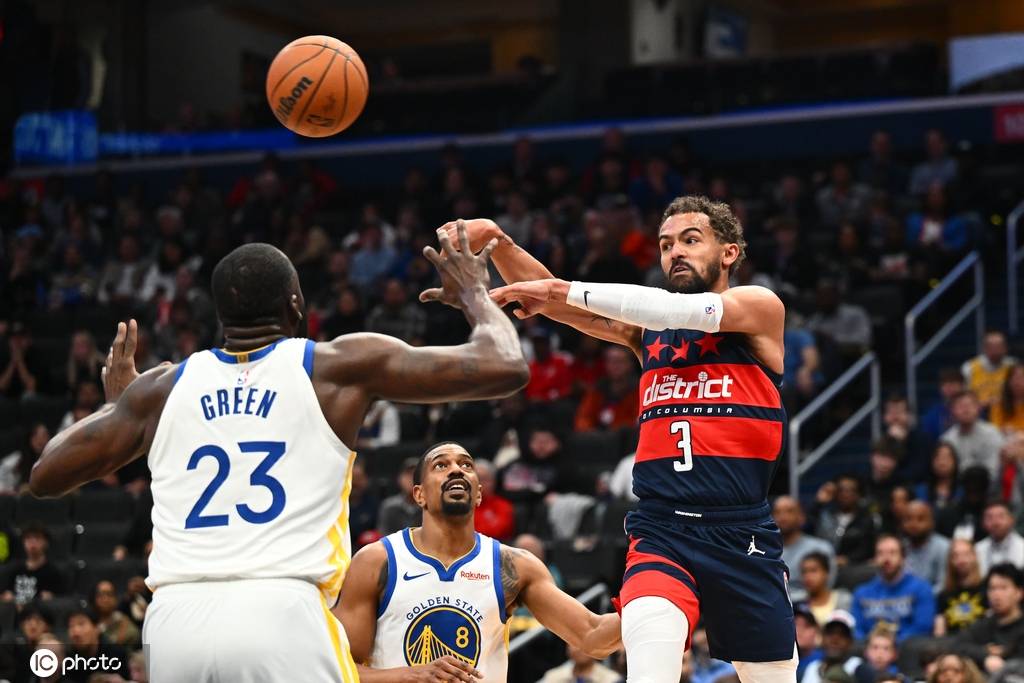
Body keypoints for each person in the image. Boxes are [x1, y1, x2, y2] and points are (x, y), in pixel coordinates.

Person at [29, 227, 529, 682]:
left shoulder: (161, 389)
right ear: (295, 306)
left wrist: (118, 410)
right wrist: (473, 292)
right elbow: (504, 365)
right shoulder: (334, 367)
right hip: (283, 611)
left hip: (174, 621)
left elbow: (45, 475)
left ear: (221, 315)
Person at [456, 195, 797, 681]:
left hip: (741, 532)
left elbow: (652, 305)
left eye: (690, 240)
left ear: (729, 253)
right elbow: (555, 301)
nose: (675, 252)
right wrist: (501, 243)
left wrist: (558, 290)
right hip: (662, 530)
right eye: (666, 244)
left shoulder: (759, 308)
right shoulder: (650, 334)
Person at [333, 442, 620, 682]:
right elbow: (336, 670)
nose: (456, 469)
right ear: (419, 494)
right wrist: (409, 675)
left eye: (466, 465)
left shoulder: (512, 566)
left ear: (479, 493)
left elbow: (592, 635)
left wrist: (645, 602)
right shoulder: (377, 560)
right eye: (441, 465)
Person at [850, 535, 935, 642]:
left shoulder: (921, 589)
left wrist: (892, 643)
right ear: (874, 559)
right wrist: (873, 644)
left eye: (892, 553)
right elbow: (856, 630)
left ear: (903, 558)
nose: (886, 559)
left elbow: (923, 628)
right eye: (881, 553)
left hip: (906, 648)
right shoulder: (862, 593)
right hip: (870, 648)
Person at [954, 563, 1024, 675]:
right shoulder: (984, 624)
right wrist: (985, 654)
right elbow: (957, 646)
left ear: (1019, 593)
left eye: (1003, 588)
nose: (996, 595)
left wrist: (1004, 664)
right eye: (992, 588)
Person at [773, 496, 834, 602]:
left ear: (802, 517)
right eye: (777, 512)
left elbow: (827, 588)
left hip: (811, 607)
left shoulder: (821, 548)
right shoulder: (764, 552)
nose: (782, 517)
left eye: (789, 511)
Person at [813, 475, 879, 567]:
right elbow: (807, 531)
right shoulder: (825, 515)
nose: (845, 494)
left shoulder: (866, 519)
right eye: (841, 490)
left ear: (858, 494)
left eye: (851, 490)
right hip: (823, 566)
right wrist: (818, 503)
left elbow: (867, 548)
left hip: (853, 567)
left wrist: (848, 559)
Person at [941, 391, 1004, 484]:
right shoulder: (947, 439)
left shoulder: (992, 433)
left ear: (978, 408)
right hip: (957, 487)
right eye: (961, 406)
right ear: (952, 410)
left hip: (988, 485)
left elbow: (995, 469)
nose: (966, 410)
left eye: (970, 405)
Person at [574, 345, 639, 431]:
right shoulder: (597, 389)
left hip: (624, 435)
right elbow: (584, 417)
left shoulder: (638, 391)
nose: (615, 366)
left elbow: (636, 420)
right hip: (597, 435)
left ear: (630, 364)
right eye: (611, 361)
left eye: (619, 362)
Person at [0, 523, 68, 605]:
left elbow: (63, 601)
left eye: (37, 538)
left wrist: (52, 599)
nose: (32, 542)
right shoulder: (14, 570)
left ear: (46, 542)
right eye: (28, 538)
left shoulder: (54, 573)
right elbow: (6, 593)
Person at [799, 611, 873, 683]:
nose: (835, 639)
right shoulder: (809, 669)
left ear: (850, 641)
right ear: (822, 637)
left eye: (842, 634)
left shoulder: (861, 670)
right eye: (830, 633)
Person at [935, 539, 987, 637]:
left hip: (979, 643)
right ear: (950, 561)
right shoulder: (943, 595)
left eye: (966, 554)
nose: (961, 560)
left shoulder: (987, 590)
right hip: (951, 643)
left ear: (975, 556)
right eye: (956, 556)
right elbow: (939, 633)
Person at [65, 608, 129, 682]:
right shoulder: (69, 660)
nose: (76, 632)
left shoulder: (116, 654)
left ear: (96, 628)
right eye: (71, 626)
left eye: (81, 624)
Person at [902, 501, 951, 593]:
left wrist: (922, 597)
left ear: (931, 522)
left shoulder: (944, 547)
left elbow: (944, 584)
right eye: (908, 519)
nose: (913, 524)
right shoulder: (900, 547)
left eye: (920, 519)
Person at [962, 331, 1017, 410]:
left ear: (1005, 348)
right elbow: (964, 395)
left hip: (1008, 410)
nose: (995, 350)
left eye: (999, 346)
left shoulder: (1013, 366)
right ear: (984, 348)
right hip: (979, 411)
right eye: (991, 346)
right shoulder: (969, 367)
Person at [800, 553, 852, 627]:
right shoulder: (797, 605)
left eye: (813, 571)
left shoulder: (844, 600)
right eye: (804, 572)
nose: (808, 577)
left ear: (826, 573)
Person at [974, 501, 1024, 575]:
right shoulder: (977, 550)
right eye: (989, 518)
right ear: (983, 523)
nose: (995, 522)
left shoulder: (1022, 547)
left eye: (1001, 517)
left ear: (1012, 520)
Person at [0, 422, 50, 495]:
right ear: (30, 438)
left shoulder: (50, 459)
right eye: (36, 436)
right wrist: (11, 491)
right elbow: (2, 473)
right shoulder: (18, 458)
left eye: (44, 436)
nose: (40, 440)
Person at [91, 579, 141, 649]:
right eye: (101, 595)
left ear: (116, 599)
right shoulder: (88, 622)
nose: (105, 599)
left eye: (109, 594)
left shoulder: (124, 622)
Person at [473, 459, 515, 541]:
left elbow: (501, 530)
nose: (480, 483)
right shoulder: (462, 505)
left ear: (493, 482)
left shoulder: (503, 505)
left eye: (484, 479)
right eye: (477, 479)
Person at [914, 443, 961, 513]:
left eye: (947, 457)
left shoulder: (963, 490)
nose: (942, 462)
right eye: (938, 458)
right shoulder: (921, 490)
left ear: (955, 462)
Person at [541, 644, 622, 683]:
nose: (579, 649)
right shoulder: (553, 677)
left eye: (585, 644)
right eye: (573, 644)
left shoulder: (612, 679)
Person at [991, 363, 1024, 434]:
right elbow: (994, 430)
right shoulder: (998, 404)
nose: (1017, 382)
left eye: (1021, 378)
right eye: (1014, 378)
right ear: (1008, 382)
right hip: (1004, 439)